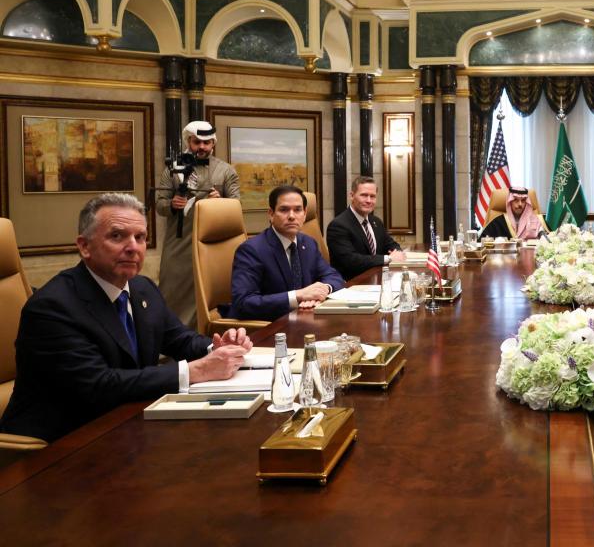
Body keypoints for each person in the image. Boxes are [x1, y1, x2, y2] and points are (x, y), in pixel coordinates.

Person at [0, 194, 251, 442]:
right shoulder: (52, 307)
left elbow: (178, 338)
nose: (133, 247)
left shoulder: (142, 288)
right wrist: (196, 370)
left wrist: (216, 346)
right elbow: (99, 385)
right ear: (84, 246)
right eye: (117, 236)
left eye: (140, 237)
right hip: (58, 446)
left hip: (124, 425)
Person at [156, 121, 240, 328]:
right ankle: (172, 342)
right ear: (188, 142)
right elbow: (159, 205)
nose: (201, 147)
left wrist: (220, 201)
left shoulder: (226, 171)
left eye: (206, 142)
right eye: (197, 142)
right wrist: (173, 204)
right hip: (179, 242)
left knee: (212, 290)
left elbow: (236, 207)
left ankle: (208, 336)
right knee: (173, 290)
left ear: (213, 144)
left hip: (214, 244)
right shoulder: (171, 170)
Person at [229, 186, 344, 320]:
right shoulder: (252, 250)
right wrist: (297, 296)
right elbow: (243, 303)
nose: (291, 216)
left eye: (297, 210)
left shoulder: (308, 243)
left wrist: (324, 289)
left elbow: (333, 276)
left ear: (305, 213)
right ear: (271, 214)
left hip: (304, 319)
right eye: (284, 210)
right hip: (270, 326)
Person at [326, 176, 406, 280]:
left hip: (377, 279)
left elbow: (392, 245)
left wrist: (397, 253)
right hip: (352, 285)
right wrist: (388, 258)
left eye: (372, 196)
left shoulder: (376, 222)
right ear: (352, 195)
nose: (369, 200)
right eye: (364, 195)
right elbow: (351, 261)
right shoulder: (338, 226)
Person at [480, 187, 549, 239]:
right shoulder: (497, 223)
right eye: (516, 200)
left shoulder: (537, 221)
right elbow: (482, 242)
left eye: (523, 200)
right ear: (510, 202)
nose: (520, 204)